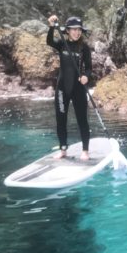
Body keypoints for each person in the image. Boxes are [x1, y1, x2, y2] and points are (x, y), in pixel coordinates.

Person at [46, 15, 92, 160]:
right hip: (62, 88)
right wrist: (51, 27)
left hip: (78, 88)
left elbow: (89, 68)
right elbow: (49, 41)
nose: (77, 32)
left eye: (79, 30)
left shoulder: (84, 48)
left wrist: (86, 76)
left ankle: (85, 150)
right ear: (67, 30)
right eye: (73, 30)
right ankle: (63, 149)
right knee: (61, 120)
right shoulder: (62, 44)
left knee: (82, 120)